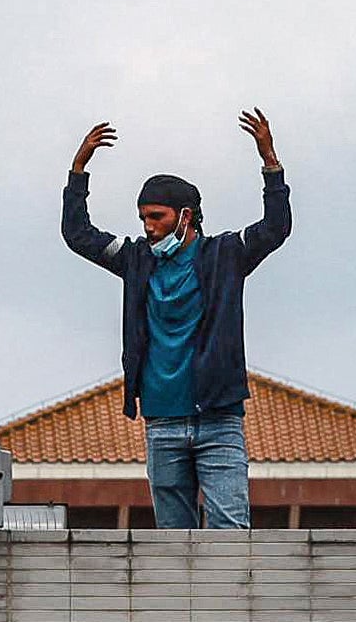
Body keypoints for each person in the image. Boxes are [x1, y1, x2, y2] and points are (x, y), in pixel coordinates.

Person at [60, 110, 294, 529]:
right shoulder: (135, 260)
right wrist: (78, 172)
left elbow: (275, 228)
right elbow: (79, 235)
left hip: (218, 420)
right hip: (162, 421)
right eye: (143, 219)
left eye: (157, 217)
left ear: (185, 216)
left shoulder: (225, 255)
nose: (148, 228)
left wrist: (270, 163)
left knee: (229, 534)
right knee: (174, 543)